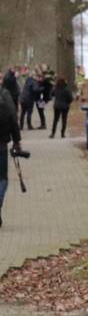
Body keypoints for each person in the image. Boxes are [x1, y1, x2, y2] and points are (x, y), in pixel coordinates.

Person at [1, 78, 23, 229]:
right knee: (2, 179)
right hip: (1, 146)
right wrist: (16, 141)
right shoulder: (5, 98)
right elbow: (13, 119)